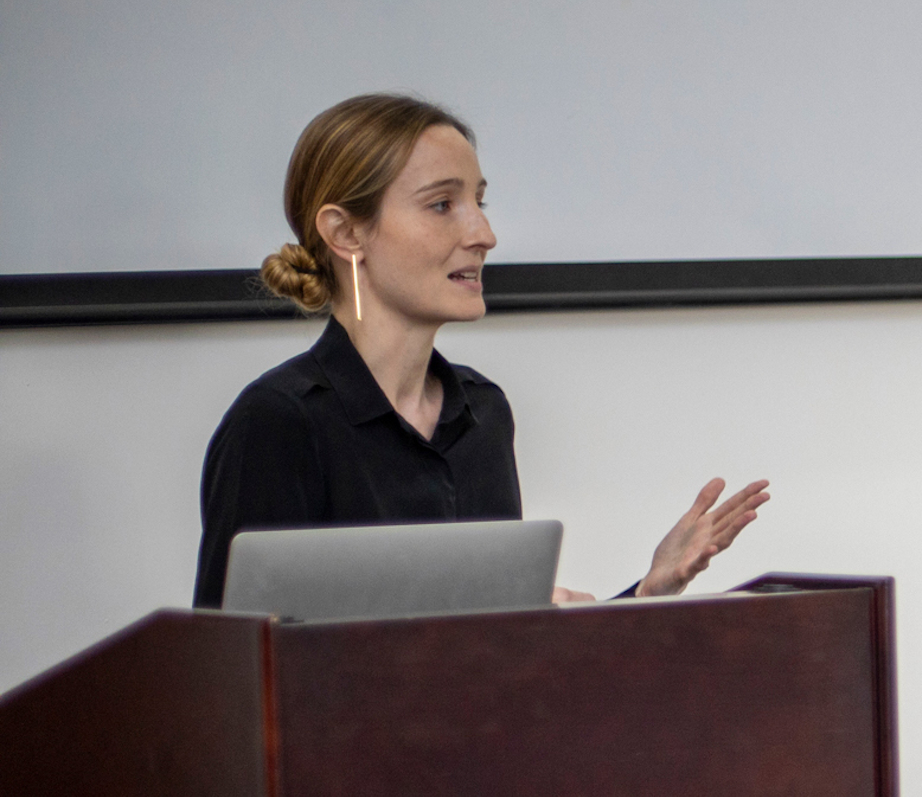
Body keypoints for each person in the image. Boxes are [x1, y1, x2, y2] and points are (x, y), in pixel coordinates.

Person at [193, 93, 769, 609]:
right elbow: (230, 676)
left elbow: (493, 652)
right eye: (442, 205)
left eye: (479, 203)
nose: (483, 235)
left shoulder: (482, 412)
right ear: (346, 233)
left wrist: (646, 591)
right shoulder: (279, 422)